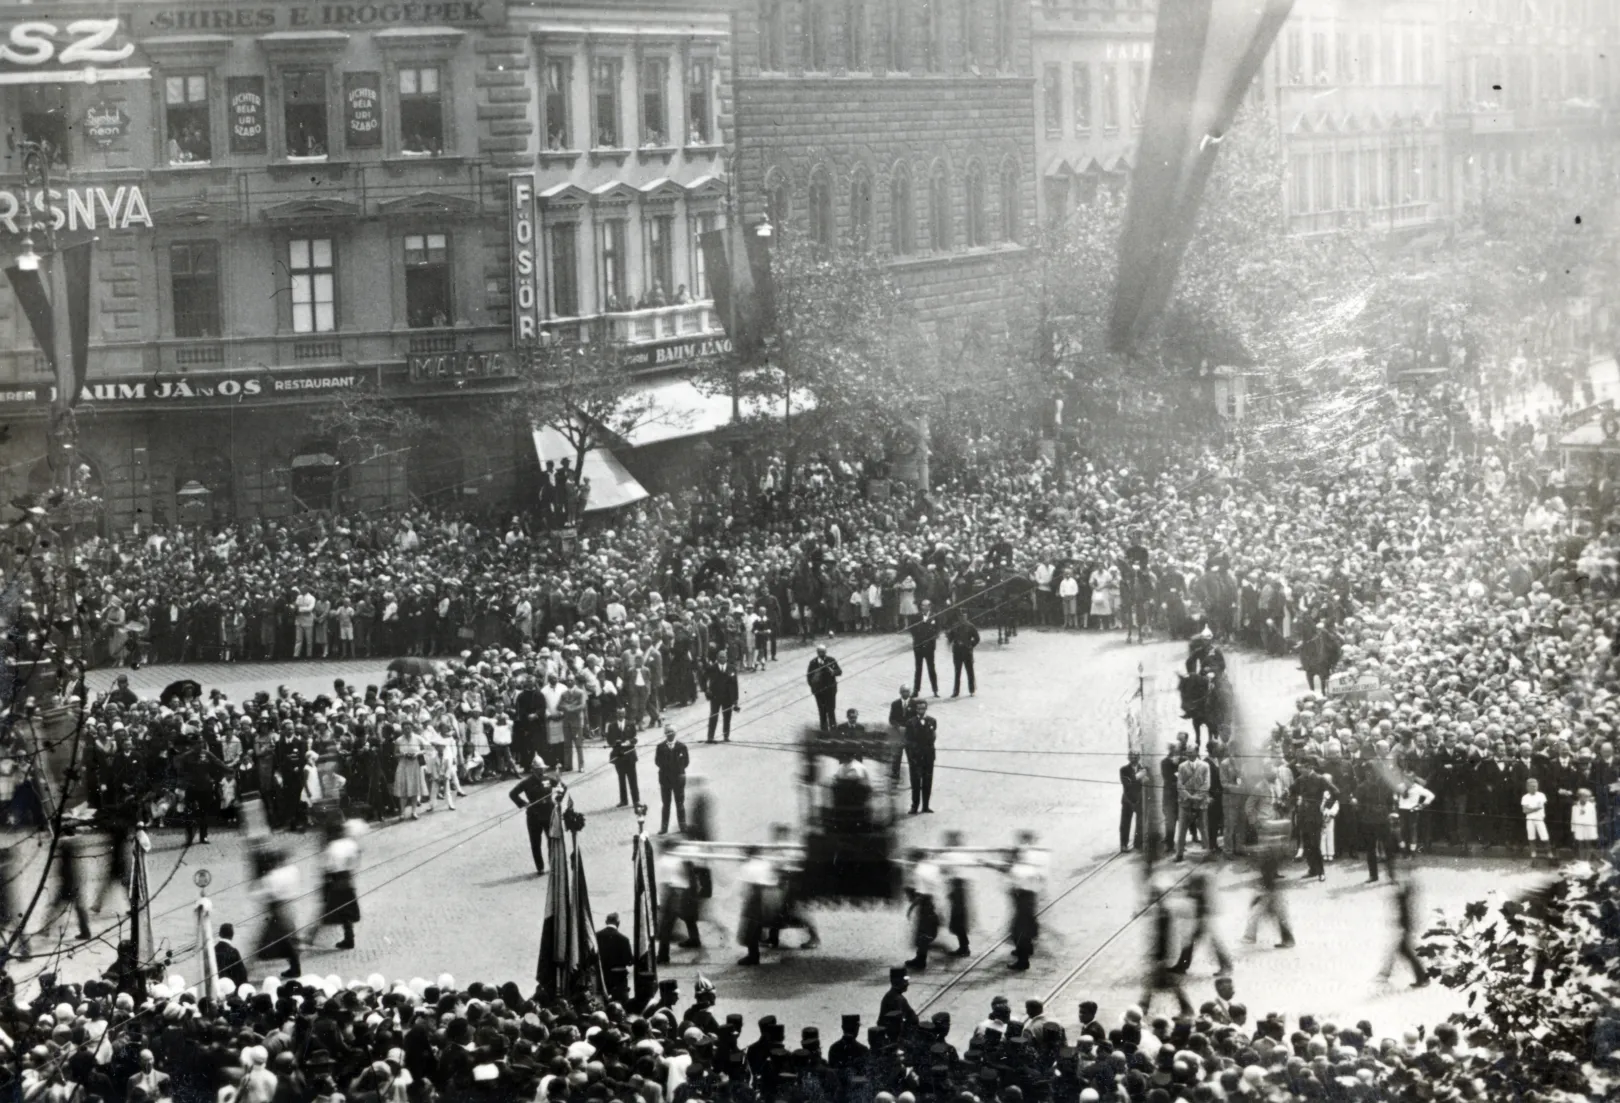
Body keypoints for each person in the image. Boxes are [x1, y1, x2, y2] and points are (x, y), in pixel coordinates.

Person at [1170, 872, 1231, 975]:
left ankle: (1226, 966)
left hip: (1204, 915)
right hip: (1201, 914)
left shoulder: (1201, 874)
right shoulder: (1196, 874)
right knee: (1191, 940)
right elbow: (1192, 891)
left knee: (1210, 941)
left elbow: (1198, 892)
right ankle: (1182, 965)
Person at [508, 760, 558, 875]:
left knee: (551, 840)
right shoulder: (526, 782)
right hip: (533, 816)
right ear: (533, 770)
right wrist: (524, 804)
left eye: (542, 769)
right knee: (535, 843)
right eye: (539, 770)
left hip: (548, 814)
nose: (541, 772)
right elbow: (512, 794)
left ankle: (553, 865)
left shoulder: (548, 779)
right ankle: (540, 868)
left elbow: (562, 787)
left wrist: (558, 799)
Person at [320, 818, 363, 950]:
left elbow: (328, 866)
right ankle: (349, 937)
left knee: (340, 910)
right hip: (348, 877)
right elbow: (357, 856)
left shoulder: (331, 847)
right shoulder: (350, 843)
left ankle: (348, 939)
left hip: (336, 879)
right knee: (347, 908)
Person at [1005, 831, 1045, 970]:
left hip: (1022, 902)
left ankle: (1023, 961)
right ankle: (1027, 950)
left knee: (1019, 932)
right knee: (1026, 928)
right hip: (1029, 900)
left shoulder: (1018, 869)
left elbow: (1012, 886)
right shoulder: (1029, 865)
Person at [736, 846, 775, 966]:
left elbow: (745, 886)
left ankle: (753, 955)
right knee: (760, 923)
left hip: (755, 894)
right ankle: (770, 940)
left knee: (750, 925)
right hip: (770, 893)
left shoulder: (747, 866)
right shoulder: (766, 864)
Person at [905, 849, 942, 972]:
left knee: (922, 934)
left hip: (925, 904)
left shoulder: (918, 871)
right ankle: (920, 959)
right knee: (923, 934)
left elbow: (921, 894)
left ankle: (923, 960)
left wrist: (911, 908)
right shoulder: (931, 867)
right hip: (932, 902)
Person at [654, 725, 690, 834]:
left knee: (680, 804)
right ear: (665, 734)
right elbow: (657, 762)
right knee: (666, 804)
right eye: (668, 732)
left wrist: (677, 769)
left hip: (678, 779)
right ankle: (664, 827)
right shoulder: (660, 747)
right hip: (665, 780)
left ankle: (682, 826)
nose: (670, 734)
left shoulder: (682, 746)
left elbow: (686, 762)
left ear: (676, 733)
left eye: (672, 731)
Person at [904, 700, 937, 815]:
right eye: (919, 709)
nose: (921, 711)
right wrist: (911, 756)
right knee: (916, 782)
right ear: (916, 710)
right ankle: (914, 806)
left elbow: (933, 737)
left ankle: (926, 806)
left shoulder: (932, 721)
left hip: (928, 756)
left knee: (927, 781)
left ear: (926, 709)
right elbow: (907, 741)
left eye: (923, 708)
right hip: (916, 758)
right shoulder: (910, 722)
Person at [605, 706, 640, 808]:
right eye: (619, 714)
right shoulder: (611, 726)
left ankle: (636, 800)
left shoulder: (631, 724)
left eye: (622, 713)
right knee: (621, 779)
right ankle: (623, 800)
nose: (621, 715)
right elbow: (609, 740)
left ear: (625, 714)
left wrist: (629, 742)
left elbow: (635, 738)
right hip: (618, 756)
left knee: (633, 778)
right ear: (616, 714)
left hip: (630, 755)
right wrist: (615, 743)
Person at [597, 913, 635, 1002]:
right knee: (621, 1001)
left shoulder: (596, 936)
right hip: (619, 978)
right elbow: (629, 961)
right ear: (618, 923)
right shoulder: (624, 939)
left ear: (606, 922)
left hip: (603, 976)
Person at [704, 654, 741, 743]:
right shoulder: (712, 668)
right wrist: (706, 690)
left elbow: (735, 685)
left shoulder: (732, 668)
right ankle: (710, 737)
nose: (722, 658)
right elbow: (703, 678)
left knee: (727, 717)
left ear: (727, 658)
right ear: (717, 658)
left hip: (728, 697)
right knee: (713, 716)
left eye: (724, 656)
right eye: (720, 657)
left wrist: (735, 700)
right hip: (715, 697)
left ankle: (726, 736)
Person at [806, 645, 842, 731]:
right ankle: (824, 731)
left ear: (826, 652)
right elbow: (809, 677)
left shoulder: (831, 660)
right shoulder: (813, 663)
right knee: (822, 712)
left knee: (831, 711)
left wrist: (833, 672)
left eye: (823, 652)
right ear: (817, 652)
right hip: (819, 692)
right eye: (820, 652)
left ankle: (833, 730)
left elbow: (839, 671)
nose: (822, 654)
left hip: (830, 691)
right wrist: (813, 688)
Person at [909, 601, 941, 698]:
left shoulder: (935, 616)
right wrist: (918, 639)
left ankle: (935, 690)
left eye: (926, 605)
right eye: (922, 605)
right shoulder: (916, 616)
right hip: (919, 646)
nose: (923, 607)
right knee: (918, 669)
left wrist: (931, 638)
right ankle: (916, 690)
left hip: (929, 647)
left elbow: (937, 630)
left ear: (930, 606)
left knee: (931, 668)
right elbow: (912, 630)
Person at [947, 612, 980, 698]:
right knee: (957, 672)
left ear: (966, 616)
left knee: (970, 672)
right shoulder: (955, 626)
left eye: (964, 616)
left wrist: (970, 645)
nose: (962, 618)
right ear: (959, 617)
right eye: (961, 616)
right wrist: (948, 635)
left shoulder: (971, 626)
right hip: (957, 652)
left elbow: (977, 638)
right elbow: (950, 638)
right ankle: (956, 691)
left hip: (967, 652)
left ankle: (972, 690)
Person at [878, 967, 919, 1033]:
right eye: (905, 981)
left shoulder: (894, 996)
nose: (908, 984)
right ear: (896, 981)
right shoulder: (897, 999)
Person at [1119, 751, 1146, 852]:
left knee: (1140, 823)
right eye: (1131, 757)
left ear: (1139, 758)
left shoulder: (1143, 769)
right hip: (1128, 800)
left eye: (1135, 757)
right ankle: (1123, 845)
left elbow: (1146, 783)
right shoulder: (1123, 770)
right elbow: (1127, 783)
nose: (1133, 759)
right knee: (1125, 823)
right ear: (1128, 758)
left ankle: (1138, 844)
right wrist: (1138, 776)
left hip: (1139, 800)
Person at [1522, 777, 1549, 860]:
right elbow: (1525, 810)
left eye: (1536, 786)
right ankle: (1533, 853)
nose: (1534, 788)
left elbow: (1540, 806)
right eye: (1532, 786)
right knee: (1531, 837)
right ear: (1527, 787)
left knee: (1545, 836)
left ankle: (1549, 853)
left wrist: (1531, 809)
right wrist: (1535, 808)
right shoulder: (1525, 797)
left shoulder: (1541, 795)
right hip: (1530, 820)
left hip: (1539, 819)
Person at [214, 921, 249, 986]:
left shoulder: (213, 950)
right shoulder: (233, 951)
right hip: (231, 988)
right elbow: (242, 974)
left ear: (220, 934)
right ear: (232, 935)